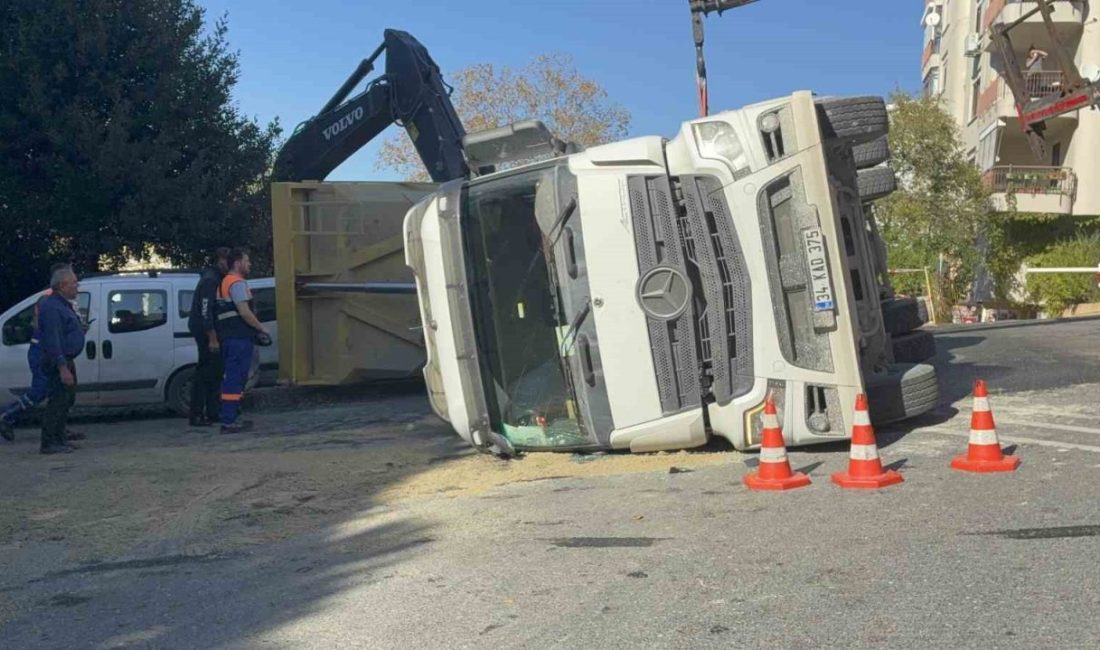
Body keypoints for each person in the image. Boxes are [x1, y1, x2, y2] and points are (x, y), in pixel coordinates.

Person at [1, 263, 86, 443]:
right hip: (44, 352)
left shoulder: (64, 301)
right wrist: (62, 363)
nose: (77, 285)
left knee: (64, 396)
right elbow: (49, 331)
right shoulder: (48, 301)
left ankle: (60, 431)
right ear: (60, 281)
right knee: (44, 391)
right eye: (73, 280)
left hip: (56, 353)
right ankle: (7, 417)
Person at [215, 248, 268, 433]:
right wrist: (261, 328)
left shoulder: (223, 283)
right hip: (239, 339)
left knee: (233, 379)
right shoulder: (237, 283)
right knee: (235, 380)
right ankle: (229, 421)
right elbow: (244, 312)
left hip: (231, 338)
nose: (250, 264)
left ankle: (232, 417)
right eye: (247, 261)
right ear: (237, 263)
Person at [37, 267, 86, 454]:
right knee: (58, 400)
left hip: (66, 359)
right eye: (74, 282)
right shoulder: (51, 307)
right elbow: (53, 339)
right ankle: (49, 442)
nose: (77, 286)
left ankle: (59, 438)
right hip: (58, 361)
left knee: (67, 399)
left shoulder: (63, 305)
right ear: (62, 285)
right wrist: (62, 367)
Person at [187, 247, 230, 427]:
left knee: (215, 372)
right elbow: (206, 311)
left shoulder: (216, 278)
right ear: (220, 260)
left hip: (209, 330)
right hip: (205, 332)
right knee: (205, 373)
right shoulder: (210, 280)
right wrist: (211, 337)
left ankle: (213, 411)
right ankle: (197, 414)